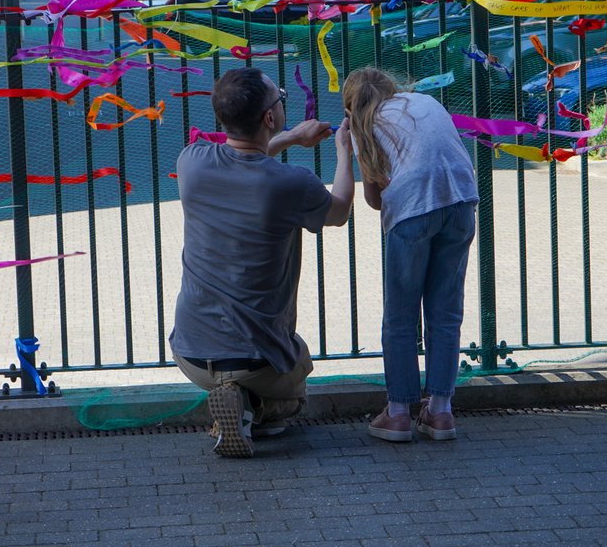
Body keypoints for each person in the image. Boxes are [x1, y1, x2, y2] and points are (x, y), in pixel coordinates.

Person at [171, 67, 355, 458]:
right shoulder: (292, 183)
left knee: (232, 368)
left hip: (190, 353)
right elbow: (338, 212)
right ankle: (254, 409)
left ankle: (231, 408)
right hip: (257, 360)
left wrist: (287, 138)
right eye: (280, 98)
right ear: (269, 117)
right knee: (298, 373)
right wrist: (344, 152)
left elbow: (242, 158)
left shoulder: (191, 163)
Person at [341, 67, 478, 443]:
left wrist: (348, 146)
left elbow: (373, 200)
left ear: (351, 107)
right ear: (393, 87)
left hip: (414, 211)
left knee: (401, 316)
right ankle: (441, 412)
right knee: (445, 312)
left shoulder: (362, 125)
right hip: (462, 202)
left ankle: (399, 413)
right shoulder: (425, 101)